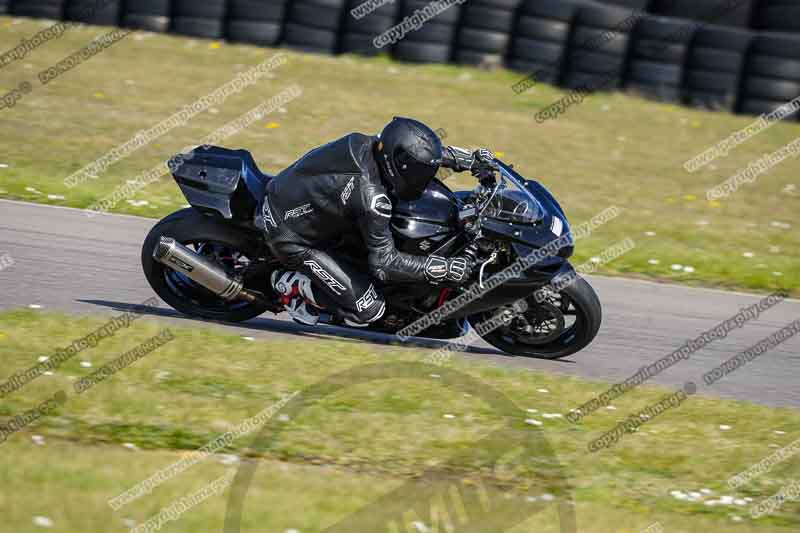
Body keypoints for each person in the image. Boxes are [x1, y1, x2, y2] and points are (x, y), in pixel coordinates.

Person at [262, 116, 496, 326]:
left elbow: (414, 151)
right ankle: (293, 286)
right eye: (418, 174)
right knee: (370, 309)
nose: (424, 179)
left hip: (294, 195)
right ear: (396, 166)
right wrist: (442, 268)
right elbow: (384, 265)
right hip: (291, 237)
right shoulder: (372, 198)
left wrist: (467, 160)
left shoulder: (370, 144)